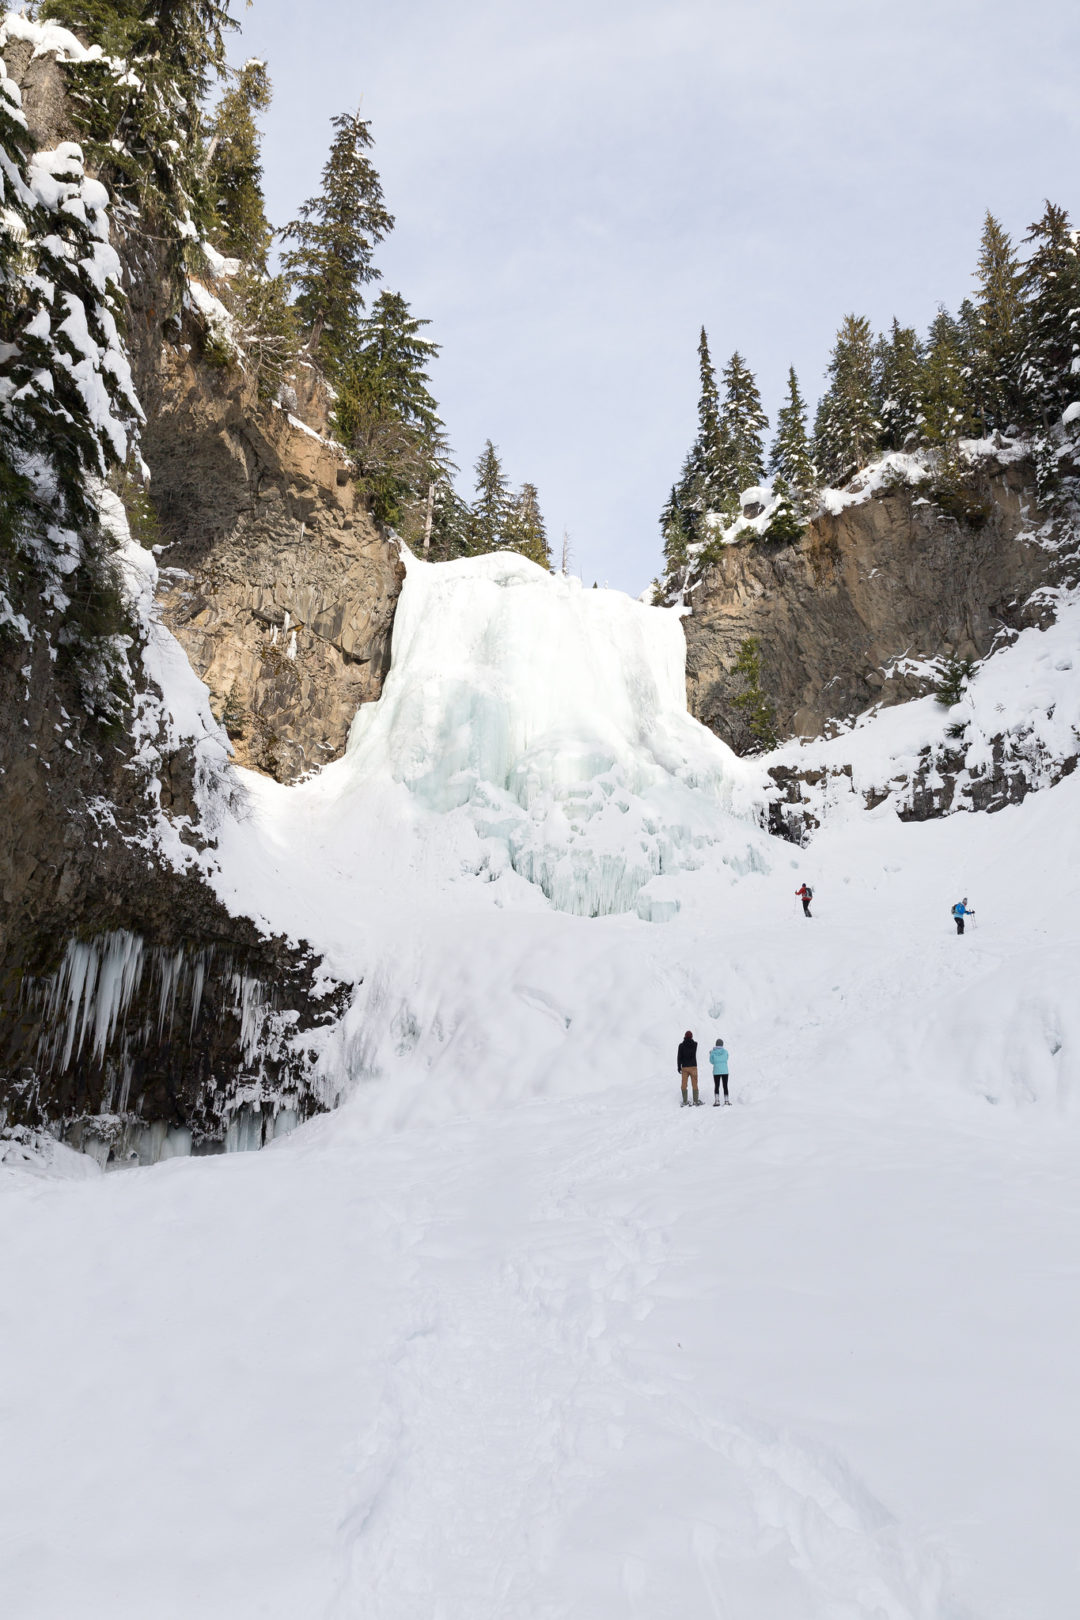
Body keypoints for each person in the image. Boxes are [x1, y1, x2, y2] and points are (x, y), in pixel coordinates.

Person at [677, 1030, 700, 1107]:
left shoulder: (681, 1045)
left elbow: (679, 1057)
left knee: (684, 1084)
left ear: (685, 1036)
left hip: (685, 1068)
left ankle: (685, 1101)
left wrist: (678, 1066)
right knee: (694, 1084)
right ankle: (696, 1101)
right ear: (691, 1036)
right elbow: (693, 1043)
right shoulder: (695, 1044)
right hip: (693, 1067)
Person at [709, 1037, 730, 1106]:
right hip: (725, 1071)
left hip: (716, 1071)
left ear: (716, 1044)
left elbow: (711, 1061)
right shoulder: (725, 1051)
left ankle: (717, 1101)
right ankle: (726, 1101)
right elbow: (726, 1058)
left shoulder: (713, 1052)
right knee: (725, 1086)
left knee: (717, 1086)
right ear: (722, 1044)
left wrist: (711, 1054)